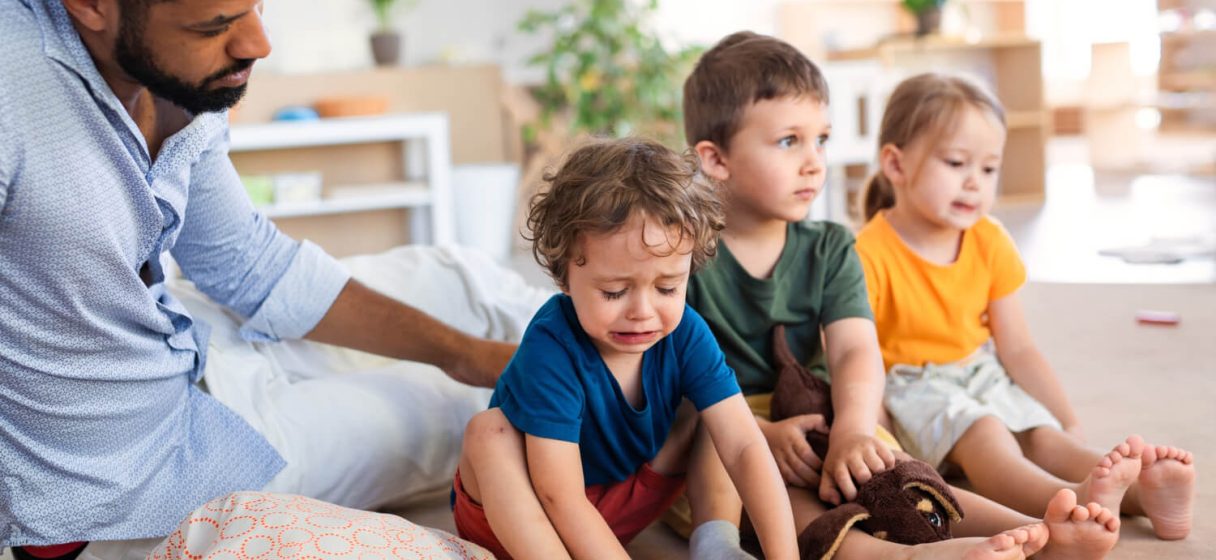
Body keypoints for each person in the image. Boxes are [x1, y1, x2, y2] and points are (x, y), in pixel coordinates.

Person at [0, 1, 519, 558]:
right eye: (214, 26)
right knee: (455, 417)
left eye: (255, 6)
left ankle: (613, 361)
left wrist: (467, 354)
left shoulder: (174, 76)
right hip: (137, 475)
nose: (256, 42)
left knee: (460, 279)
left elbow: (248, 263)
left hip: (189, 346)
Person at [679, 31, 1124, 559]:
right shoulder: (684, 258)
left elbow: (852, 350)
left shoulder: (830, 246)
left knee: (904, 475)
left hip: (819, 406)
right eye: (788, 141)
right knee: (788, 499)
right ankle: (900, 556)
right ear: (716, 159)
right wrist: (764, 433)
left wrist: (853, 428)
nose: (814, 161)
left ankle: (1036, 532)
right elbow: (674, 382)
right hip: (728, 424)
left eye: (821, 139)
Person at [855, 72, 1196, 540]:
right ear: (895, 164)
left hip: (982, 371)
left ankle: (1142, 494)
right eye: (956, 163)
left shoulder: (989, 238)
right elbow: (858, 358)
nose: (975, 183)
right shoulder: (866, 254)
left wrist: (1065, 417)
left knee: (1042, 434)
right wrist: (879, 440)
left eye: (989, 168)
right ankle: (1075, 498)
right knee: (989, 434)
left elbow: (1017, 348)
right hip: (916, 389)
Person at [450, 137, 800, 560]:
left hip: (620, 507)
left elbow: (745, 448)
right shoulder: (552, 345)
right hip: (526, 520)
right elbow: (558, 494)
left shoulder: (686, 333)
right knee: (489, 433)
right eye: (615, 292)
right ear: (564, 277)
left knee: (718, 416)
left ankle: (715, 547)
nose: (643, 312)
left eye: (668, 287)